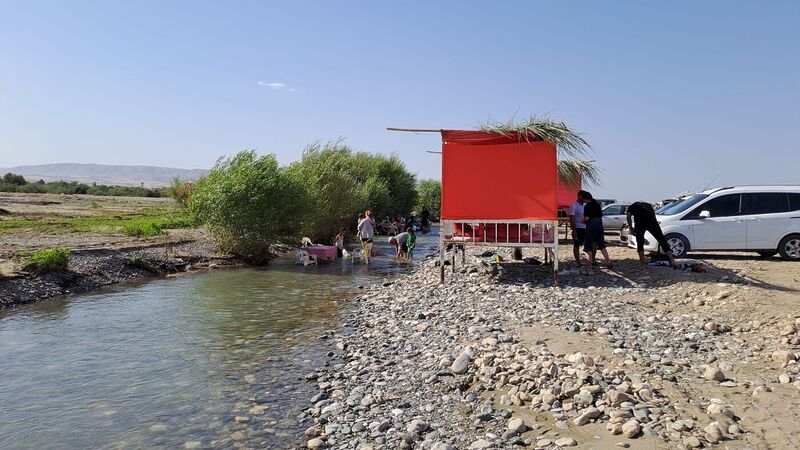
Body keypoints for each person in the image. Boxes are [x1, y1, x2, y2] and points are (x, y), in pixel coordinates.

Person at [627, 201, 677, 270]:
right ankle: (672, 260)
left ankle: (642, 264)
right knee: (661, 239)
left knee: (640, 242)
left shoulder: (631, 206)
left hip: (640, 223)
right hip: (652, 221)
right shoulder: (648, 205)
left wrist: (631, 228)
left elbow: (628, 216)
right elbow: (653, 215)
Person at [581, 191, 612, 270]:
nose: (583, 201)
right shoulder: (597, 204)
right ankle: (608, 262)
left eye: (583, 200)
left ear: (586, 199)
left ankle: (589, 266)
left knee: (588, 246)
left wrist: (582, 220)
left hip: (591, 225)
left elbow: (586, 218)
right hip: (599, 225)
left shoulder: (587, 206)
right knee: (601, 245)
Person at [568, 191, 587, 268]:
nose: (585, 198)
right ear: (579, 196)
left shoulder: (585, 205)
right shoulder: (574, 206)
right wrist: (574, 230)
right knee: (576, 245)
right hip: (578, 228)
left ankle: (590, 260)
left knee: (588, 244)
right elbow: (571, 219)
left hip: (586, 228)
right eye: (583, 196)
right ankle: (578, 262)